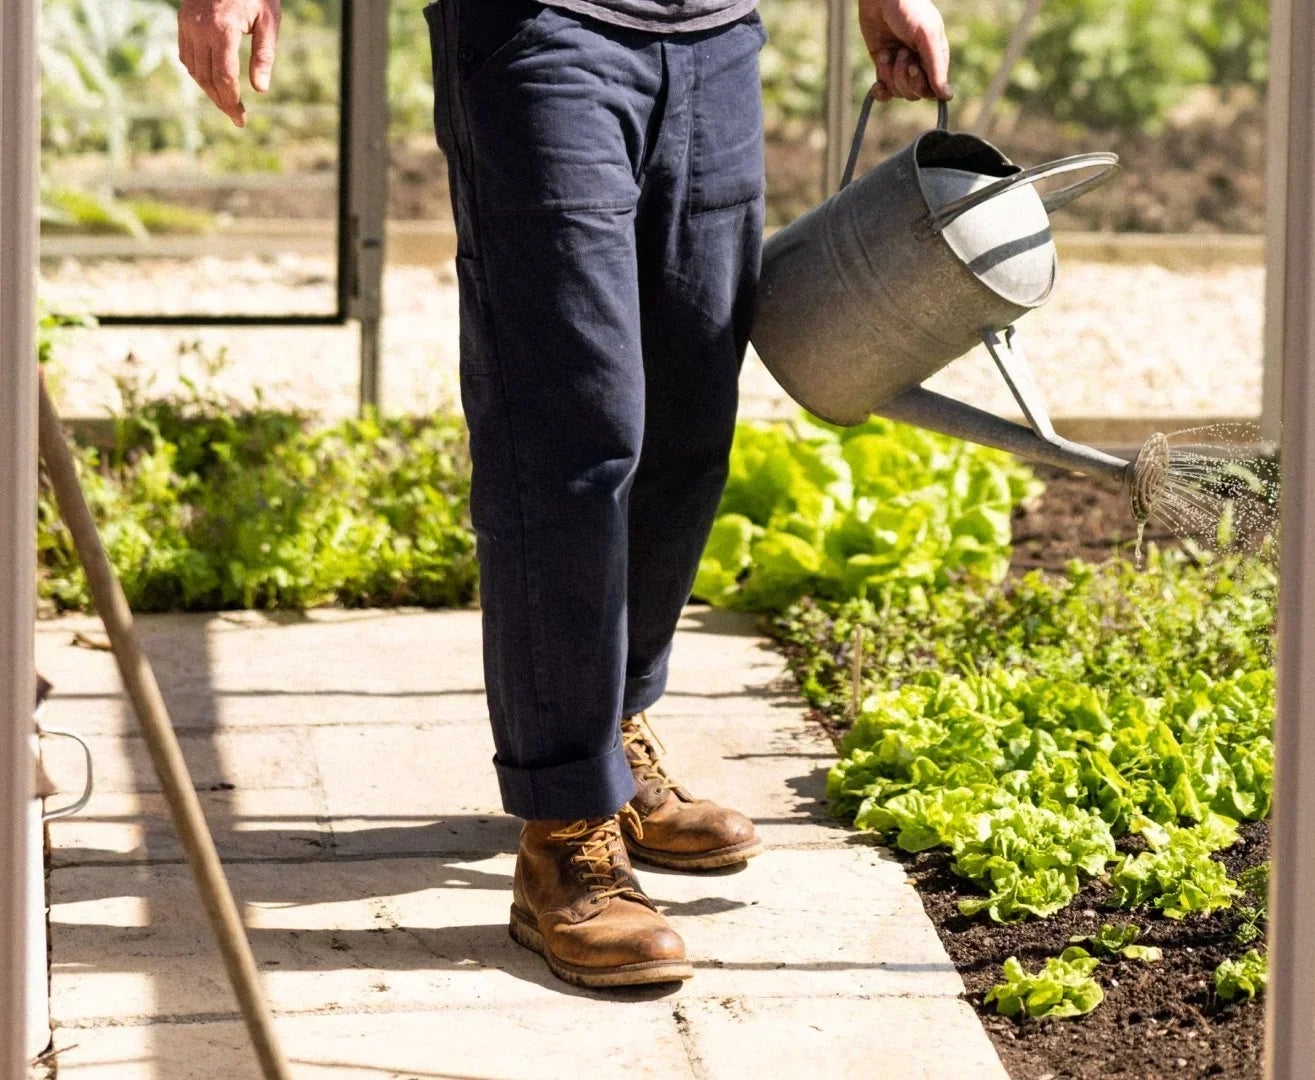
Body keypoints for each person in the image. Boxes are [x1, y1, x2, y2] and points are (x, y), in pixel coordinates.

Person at [178, 0, 952, 990]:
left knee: (691, 416)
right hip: (540, 30)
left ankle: (608, 729)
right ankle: (564, 823)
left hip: (714, 32)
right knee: (572, 423)